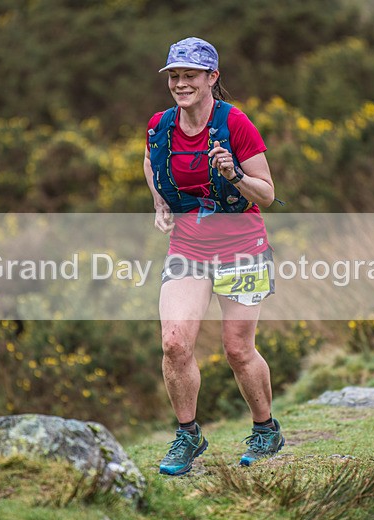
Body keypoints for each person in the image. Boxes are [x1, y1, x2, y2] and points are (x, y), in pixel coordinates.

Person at [143, 37, 284, 476]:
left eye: (190, 75)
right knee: (174, 342)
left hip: (242, 249)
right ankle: (188, 435)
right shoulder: (160, 125)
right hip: (188, 247)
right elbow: (150, 162)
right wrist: (159, 203)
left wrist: (235, 174)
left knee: (238, 350)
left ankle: (266, 430)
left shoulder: (236, 124)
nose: (181, 83)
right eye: (175, 76)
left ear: (212, 78)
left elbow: (267, 192)